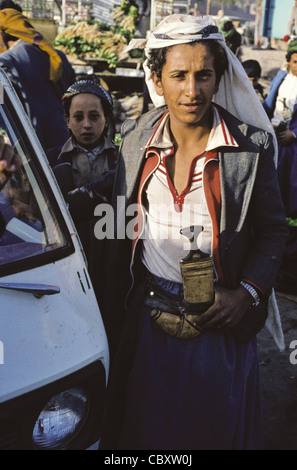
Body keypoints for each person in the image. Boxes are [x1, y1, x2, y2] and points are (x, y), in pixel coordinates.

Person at [99, 14, 288, 450]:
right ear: (157, 79)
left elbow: (274, 231)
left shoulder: (248, 148)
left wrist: (247, 293)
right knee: (148, 432)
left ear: (219, 77)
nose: (191, 90)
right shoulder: (134, 138)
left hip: (218, 323)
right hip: (149, 318)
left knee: (209, 432)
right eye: (178, 75)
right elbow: (112, 207)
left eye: (204, 75)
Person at [50, 79, 117, 308]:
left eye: (94, 116)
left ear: (106, 118)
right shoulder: (50, 162)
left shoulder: (124, 161)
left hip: (112, 262)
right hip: (68, 269)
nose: (86, 124)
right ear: (67, 121)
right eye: (78, 117)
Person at [0, 8, 75, 150]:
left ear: (3, 35)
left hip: (37, 150)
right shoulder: (57, 56)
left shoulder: (6, 63)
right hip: (68, 142)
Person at [263, 39, 297, 219]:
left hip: (292, 143)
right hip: (274, 136)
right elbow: (269, 105)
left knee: (291, 183)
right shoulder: (282, 79)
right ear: (289, 61)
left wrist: (294, 134)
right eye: (295, 61)